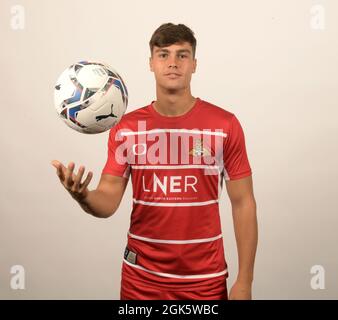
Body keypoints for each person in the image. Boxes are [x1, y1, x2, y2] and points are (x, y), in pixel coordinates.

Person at [51, 23, 258, 300]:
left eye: (182, 55)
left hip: (204, 282)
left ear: (194, 64)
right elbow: (108, 200)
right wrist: (83, 196)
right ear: (151, 63)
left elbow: (243, 203)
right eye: (163, 54)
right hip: (141, 282)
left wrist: (244, 281)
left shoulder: (224, 125)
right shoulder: (126, 128)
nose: (173, 63)